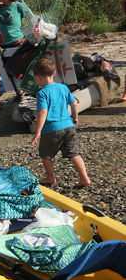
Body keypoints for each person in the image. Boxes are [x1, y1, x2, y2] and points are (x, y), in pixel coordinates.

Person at [30, 56, 91, 189]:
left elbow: (43, 112)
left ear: (37, 77)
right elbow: (74, 104)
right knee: (73, 153)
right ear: (54, 73)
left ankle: (50, 177)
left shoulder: (42, 93)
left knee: (45, 155)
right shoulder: (63, 87)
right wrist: (75, 117)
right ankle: (84, 178)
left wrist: (38, 131)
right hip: (69, 126)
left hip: (52, 129)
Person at [0, 0, 33, 110]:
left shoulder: (19, 6)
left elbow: (33, 20)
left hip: (17, 43)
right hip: (1, 45)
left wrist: (25, 37)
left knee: (18, 72)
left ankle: (22, 94)